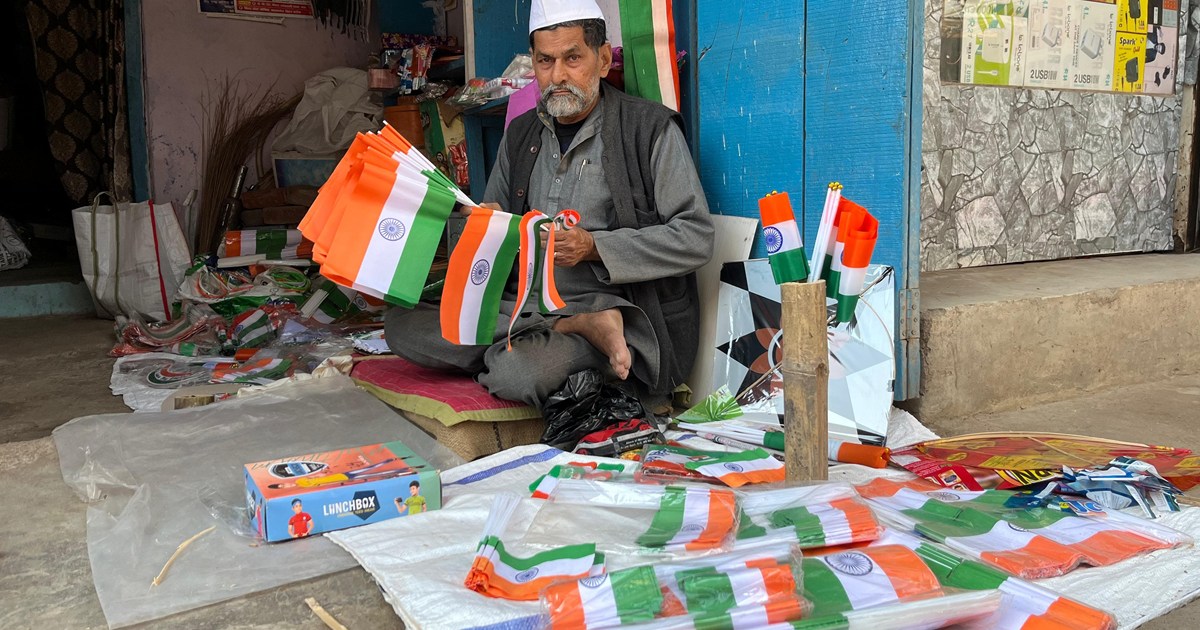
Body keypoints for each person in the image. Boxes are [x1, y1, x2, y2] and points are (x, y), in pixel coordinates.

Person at [386, 0, 713, 411]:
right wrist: (484, 223)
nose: (558, 75)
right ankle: (567, 330)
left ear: (602, 58)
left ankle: (565, 335)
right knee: (400, 325)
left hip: (615, 305)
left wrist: (595, 247)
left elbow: (696, 236)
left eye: (572, 58)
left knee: (519, 372)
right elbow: (498, 226)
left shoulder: (649, 128)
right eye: (545, 61)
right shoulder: (523, 133)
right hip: (521, 306)